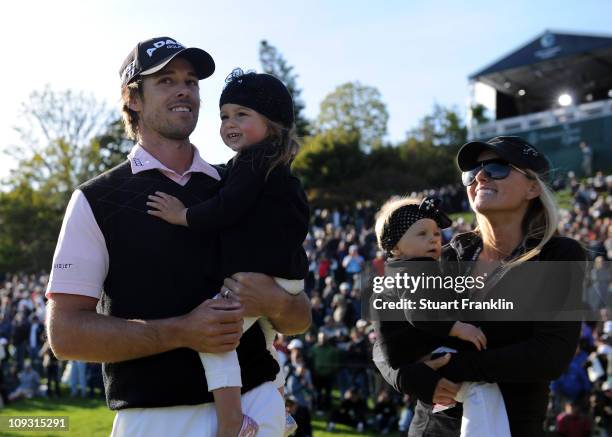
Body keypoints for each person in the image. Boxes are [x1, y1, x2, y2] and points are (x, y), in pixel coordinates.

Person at [45, 36, 311, 437]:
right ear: (133, 99)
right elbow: (65, 335)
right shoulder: (94, 199)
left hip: (257, 408)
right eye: (166, 80)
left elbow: (300, 316)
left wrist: (273, 300)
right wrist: (180, 331)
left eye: (191, 81)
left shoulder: (244, 182)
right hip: (154, 418)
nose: (184, 89)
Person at [374, 136, 586, 436]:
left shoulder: (559, 255)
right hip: (432, 427)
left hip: (510, 425)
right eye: (472, 172)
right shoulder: (442, 257)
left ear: (533, 187)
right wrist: (405, 376)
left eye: (498, 168)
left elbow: (550, 355)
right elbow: (385, 329)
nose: (481, 176)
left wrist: (451, 366)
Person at [146, 67, 309, 436]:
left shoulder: (255, 160)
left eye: (242, 114)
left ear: (273, 124)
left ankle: (232, 422)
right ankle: (280, 404)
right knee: (265, 340)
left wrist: (182, 215)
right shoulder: (273, 165)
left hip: (260, 276)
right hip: (286, 277)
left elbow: (227, 208)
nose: (229, 123)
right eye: (224, 115)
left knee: (215, 340)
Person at [373, 195, 510, 436]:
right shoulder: (414, 270)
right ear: (395, 246)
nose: (434, 239)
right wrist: (458, 328)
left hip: (420, 356)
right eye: (422, 234)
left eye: (436, 233)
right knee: (481, 389)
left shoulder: (408, 269)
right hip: (424, 354)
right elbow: (420, 311)